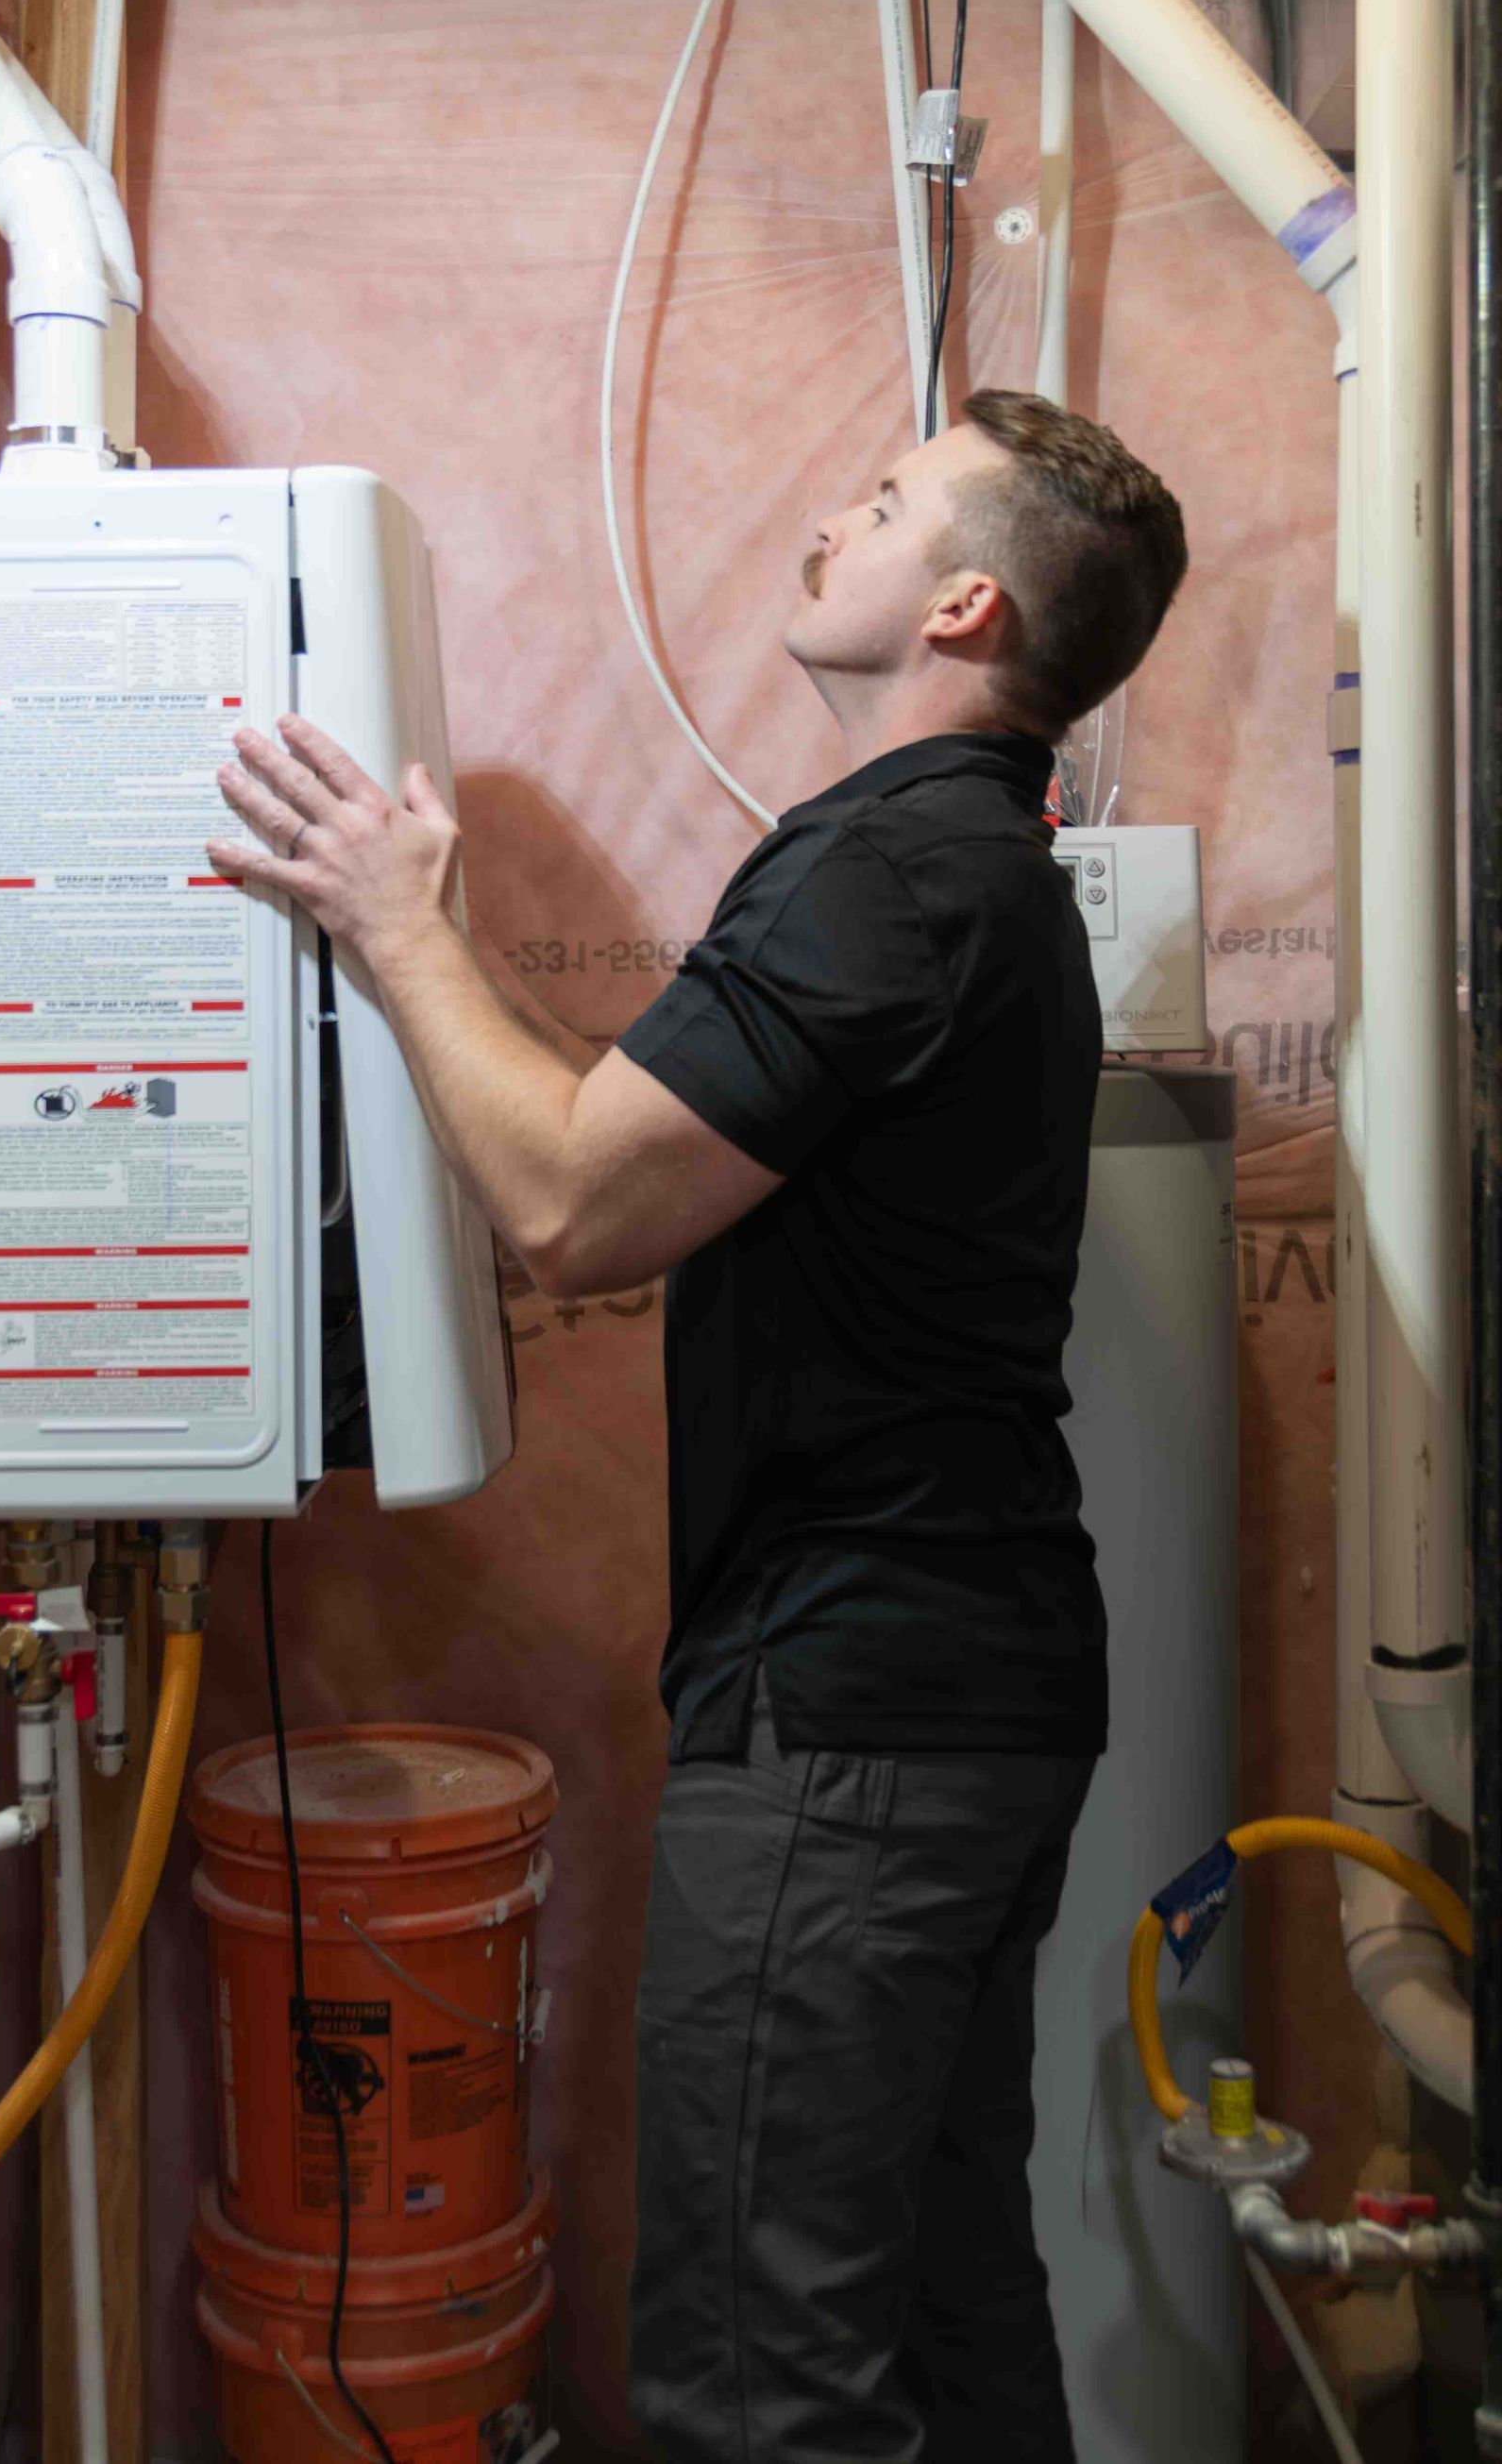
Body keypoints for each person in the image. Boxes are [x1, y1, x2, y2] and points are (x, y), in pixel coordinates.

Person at [208, 388, 1189, 2463]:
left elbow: (572, 1202)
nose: (838, 514)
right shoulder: (968, 871)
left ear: (968, 602)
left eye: (891, 500)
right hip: (966, 1686)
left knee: (764, 2373)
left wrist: (394, 922)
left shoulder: (886, 872)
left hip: (854, 1709)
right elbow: (642, 1126)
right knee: (933, 2301)